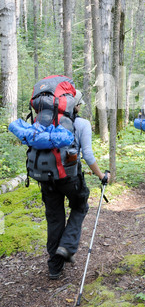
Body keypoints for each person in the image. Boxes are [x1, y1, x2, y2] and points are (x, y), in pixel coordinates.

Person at [41, 90, 109, 280]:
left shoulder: (45, 121)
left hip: (46, 177)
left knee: (55, 219)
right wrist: (101, 175)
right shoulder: (81, 124)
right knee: (80, 205)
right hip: (70, 177)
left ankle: (54, 267)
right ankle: (67, 246)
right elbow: (87, 155)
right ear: (75, 105)